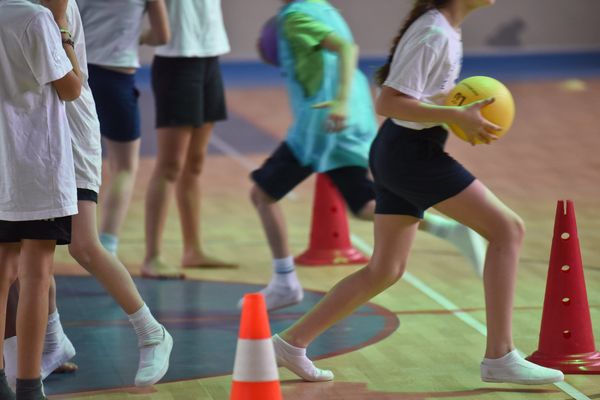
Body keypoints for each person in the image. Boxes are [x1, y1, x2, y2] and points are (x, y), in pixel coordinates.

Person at [269, 0, 566, 385]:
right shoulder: (433, 32)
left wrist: (460, 117)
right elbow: (388, 101)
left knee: (385, 269)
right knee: (508, 230)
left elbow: (419, 97)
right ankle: (500, 356)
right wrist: (456, 116)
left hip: (402, 151)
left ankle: (290, 343)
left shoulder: (444, 28)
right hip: (410, 156)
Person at [239, 0, 487, 312]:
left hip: (323, 123)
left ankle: (284, 281)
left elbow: (345, 48)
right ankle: (447, 229)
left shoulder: (295, 17)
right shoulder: (324, 9)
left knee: (262, 194)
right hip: (353, 117)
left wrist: (339, 103)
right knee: (363, 204)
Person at [3, 0, 174, 388]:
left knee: (83, 244)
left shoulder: (47, 10)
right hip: (28, 134)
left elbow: (69, 84)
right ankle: (51, 340)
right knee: (28, 250)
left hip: (69, 129)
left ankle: (152, 332)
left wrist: (61, 26)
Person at [0, 0, 82, 398]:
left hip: (2, 168)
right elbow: (71, 87)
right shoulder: (36, 19)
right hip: (36, 166)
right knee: (36, 276)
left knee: (1, 276)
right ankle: (29, 384)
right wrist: (62, 27)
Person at [142, 0, 235, 278]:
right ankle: (152, 257)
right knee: (170, 165)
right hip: (176, 60)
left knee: (195, 163)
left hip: (210, 56)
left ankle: (192, 250)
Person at [76, 0, 170, 256]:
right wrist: (137, 36)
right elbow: (162, 34)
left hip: (77, 74)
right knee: (125, 166)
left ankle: (44, 237)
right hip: (117, 75)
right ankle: (107, 245)